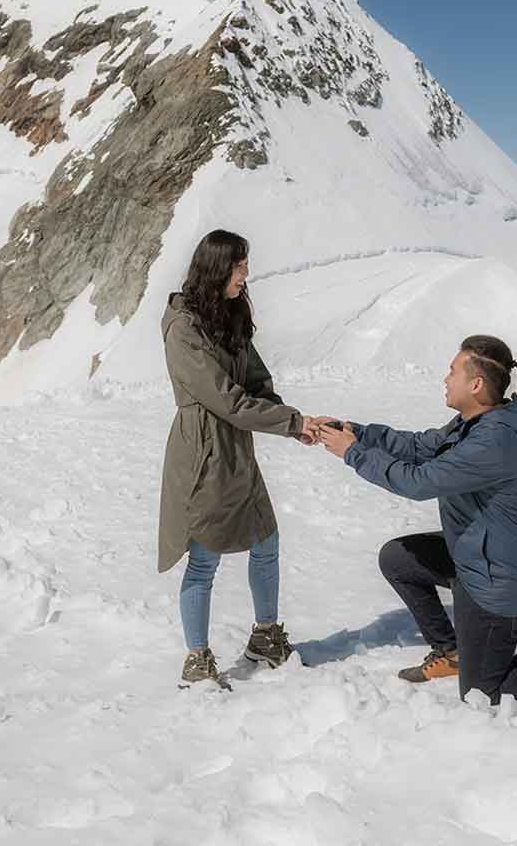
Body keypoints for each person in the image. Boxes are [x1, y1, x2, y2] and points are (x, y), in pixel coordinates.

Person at [314, 335, 517, 703]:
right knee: (398, 558)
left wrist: (354, 454)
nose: (445, 378)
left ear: (476, 384)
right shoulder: (473, 422)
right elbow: (420, 447)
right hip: (476, 555)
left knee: (484, 694)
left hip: (498, 580)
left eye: (452, 371)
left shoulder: (493, 441)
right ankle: (452, 652)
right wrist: (355, 431)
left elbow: (417, 481)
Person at [158, 229, 326, 689]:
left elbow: (254, 380)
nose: (246, 275)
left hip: (238, 447)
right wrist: (291, 423)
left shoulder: (229, 314)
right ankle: (198, 661)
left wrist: (294, 420)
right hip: (206, 451)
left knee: (265, 540)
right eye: (240, 266)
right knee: (204, 558)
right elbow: (225, 400)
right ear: (217, 268)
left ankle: (266, 637)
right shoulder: (183, 327)